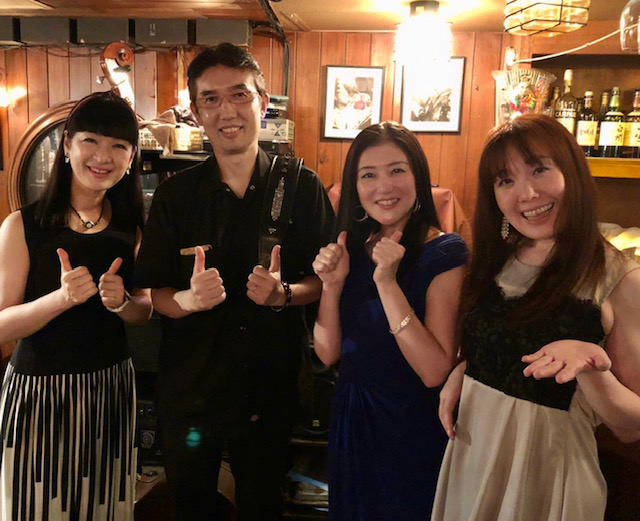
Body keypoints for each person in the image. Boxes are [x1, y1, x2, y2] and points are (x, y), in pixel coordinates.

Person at [133, 43, 335, 521]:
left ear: (262, 103)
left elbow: (323, 281)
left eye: (239, 95)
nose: (227, 111)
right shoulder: (175, 195)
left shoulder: (301, 185)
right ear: (196, 111)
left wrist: (285, 294)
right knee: (191, 509)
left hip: (269, 388)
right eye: (211, 98)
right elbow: (154, 294)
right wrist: (186, 300)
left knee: (264, 507)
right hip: (191, 391)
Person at [431, 114, 640, 521]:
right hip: (472, 457)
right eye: (505, 180)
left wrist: (589, 367)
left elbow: (631, 426)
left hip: (546, 477)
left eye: (539, 169)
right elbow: (506, 341)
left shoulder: (619, 278)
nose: (526, 193)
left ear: (572, 173)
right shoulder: (499, 258)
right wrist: (468, 370)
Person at [0, 91, 152, 521]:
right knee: (36, 507)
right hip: (37, 394)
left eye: (119, 145)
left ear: (131, 158)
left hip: (109, 390)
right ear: (67, 145)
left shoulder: (132, 229)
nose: (103, 156)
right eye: (91, 140)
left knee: (102, 507)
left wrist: (123, 303)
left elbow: (144, 310)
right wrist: (60, 299)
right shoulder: (22, 225)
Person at [312, 121, 467, 520]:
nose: (384, 186)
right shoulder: (353, 247)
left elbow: (434, 371)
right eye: (368, 175)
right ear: (354, 186)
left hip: (410, 424)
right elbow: (327, 353)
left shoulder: (445, 252)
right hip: (352, 416)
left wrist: (387, 283)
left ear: (418, 177)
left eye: (397, 170)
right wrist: (332, 285)